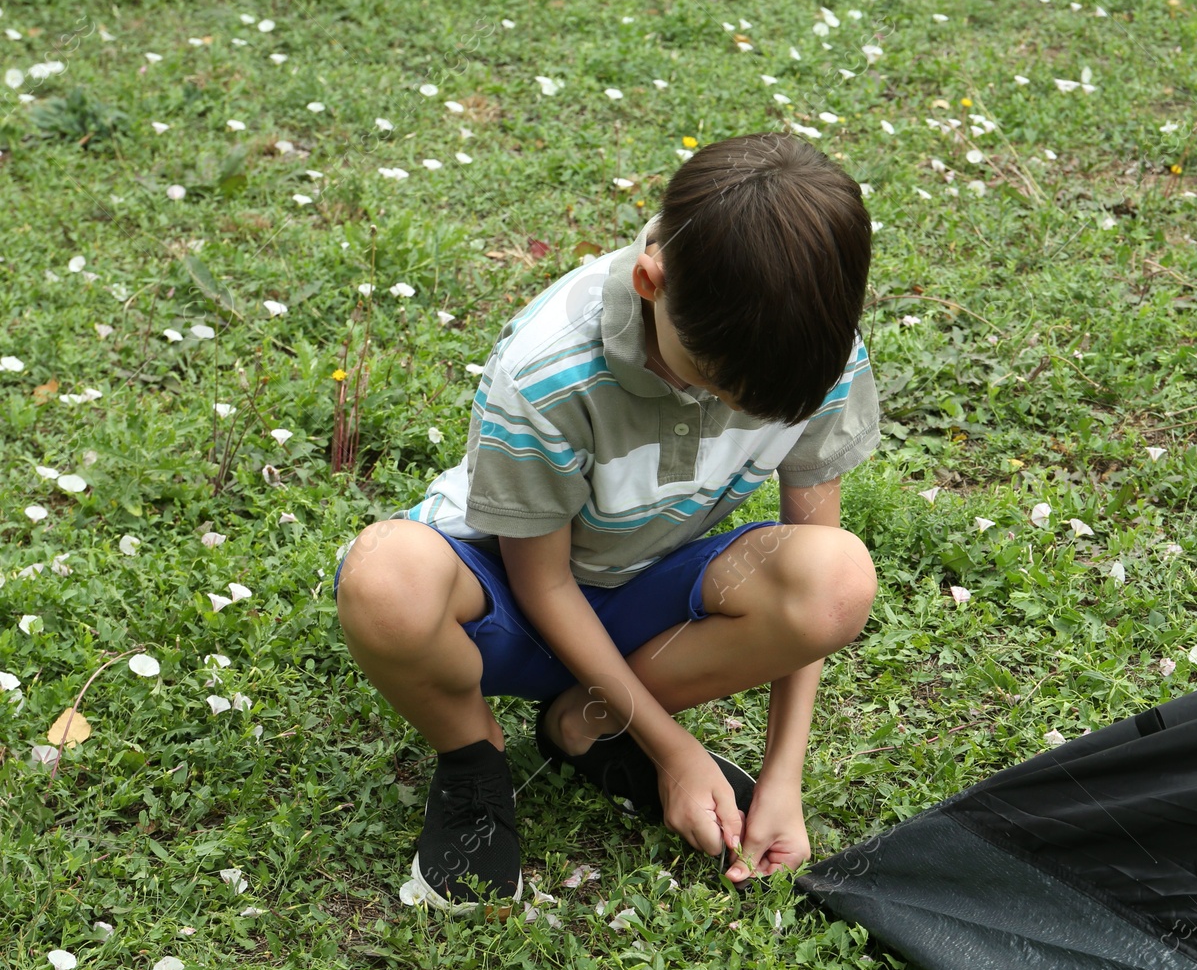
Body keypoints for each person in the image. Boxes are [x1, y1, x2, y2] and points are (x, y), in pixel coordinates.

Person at [334, 132, 882, 911]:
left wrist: (782, 774)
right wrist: (678, 751)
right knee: (385, 576)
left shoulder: (808, 349)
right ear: (650, 281)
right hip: (514, 601)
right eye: (714, 383)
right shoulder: (551, 369)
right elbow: (545, 582)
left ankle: (583, 725)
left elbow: (816, 545)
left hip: (639, 592)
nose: (729, 410)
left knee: (837, 577)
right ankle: (473, 760)